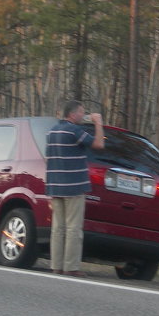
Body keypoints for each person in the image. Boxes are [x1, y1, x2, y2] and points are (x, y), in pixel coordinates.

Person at [45, 100, 104, 276]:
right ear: (72, 114)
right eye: (81, 112)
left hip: (56, 186)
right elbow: (99, 144)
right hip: (74, 186)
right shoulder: (74, 131)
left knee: (57, 229)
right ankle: (71, 267)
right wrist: (98, 123)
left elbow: (49, 161)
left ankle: (56, 266)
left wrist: (48, 188)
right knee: (73, 229)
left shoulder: (52, 131)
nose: (82, 115)